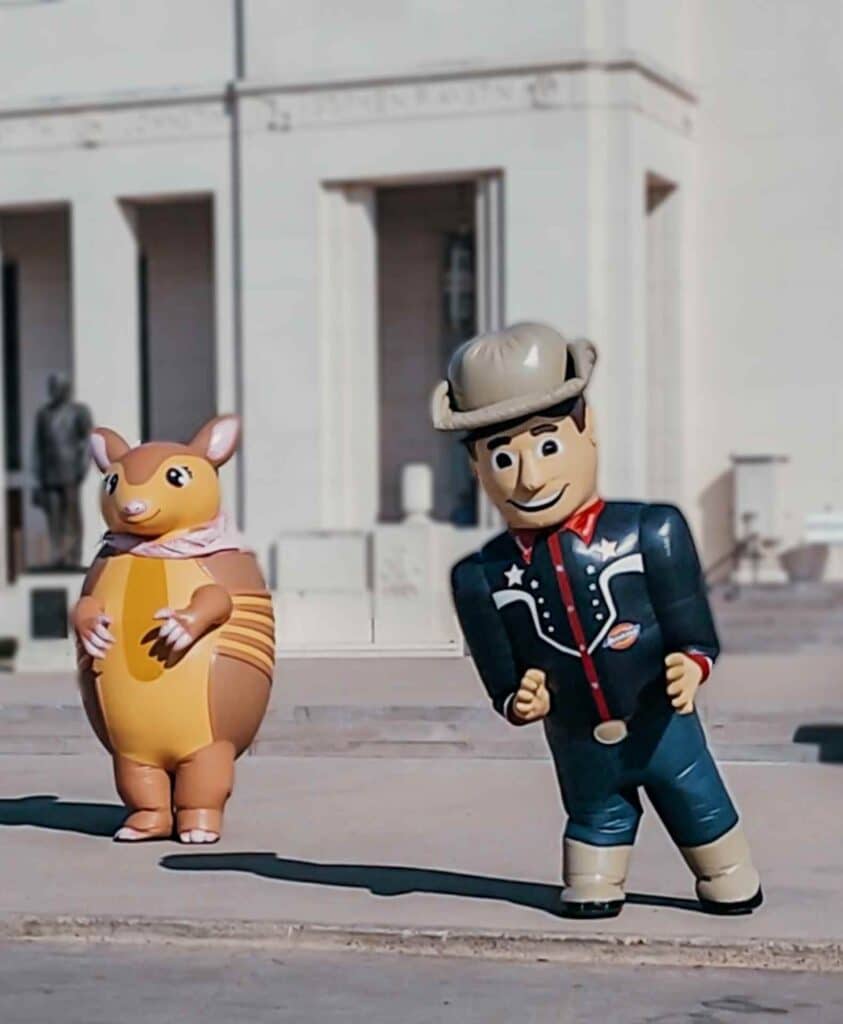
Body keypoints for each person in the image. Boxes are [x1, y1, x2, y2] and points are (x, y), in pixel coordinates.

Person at [432, 322, 762, 919]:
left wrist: (691, 666)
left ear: (589, 431)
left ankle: (726, 872)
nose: (528, 477)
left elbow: (693, 629)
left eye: (547, 445)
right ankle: (598, 878)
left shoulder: (651, 532)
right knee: (593, 824)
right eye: (503, 457)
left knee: (700, 808)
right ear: (477, 468)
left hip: (665, 730)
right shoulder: (481, 577)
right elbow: (499, 669)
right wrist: (517, 698)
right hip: (579, 743)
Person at [32, 372, 92, 568]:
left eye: (59, 386)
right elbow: (38, 447)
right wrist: (37, 474)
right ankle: (58, 554)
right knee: (54, 515)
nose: (56, 391)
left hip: (70, 471)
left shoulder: (78, 412)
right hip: (50, 472)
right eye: (53, 387)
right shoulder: (44, 415)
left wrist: (82, 467)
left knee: (72, 515)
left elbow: (87, 442)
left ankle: (74, 555)